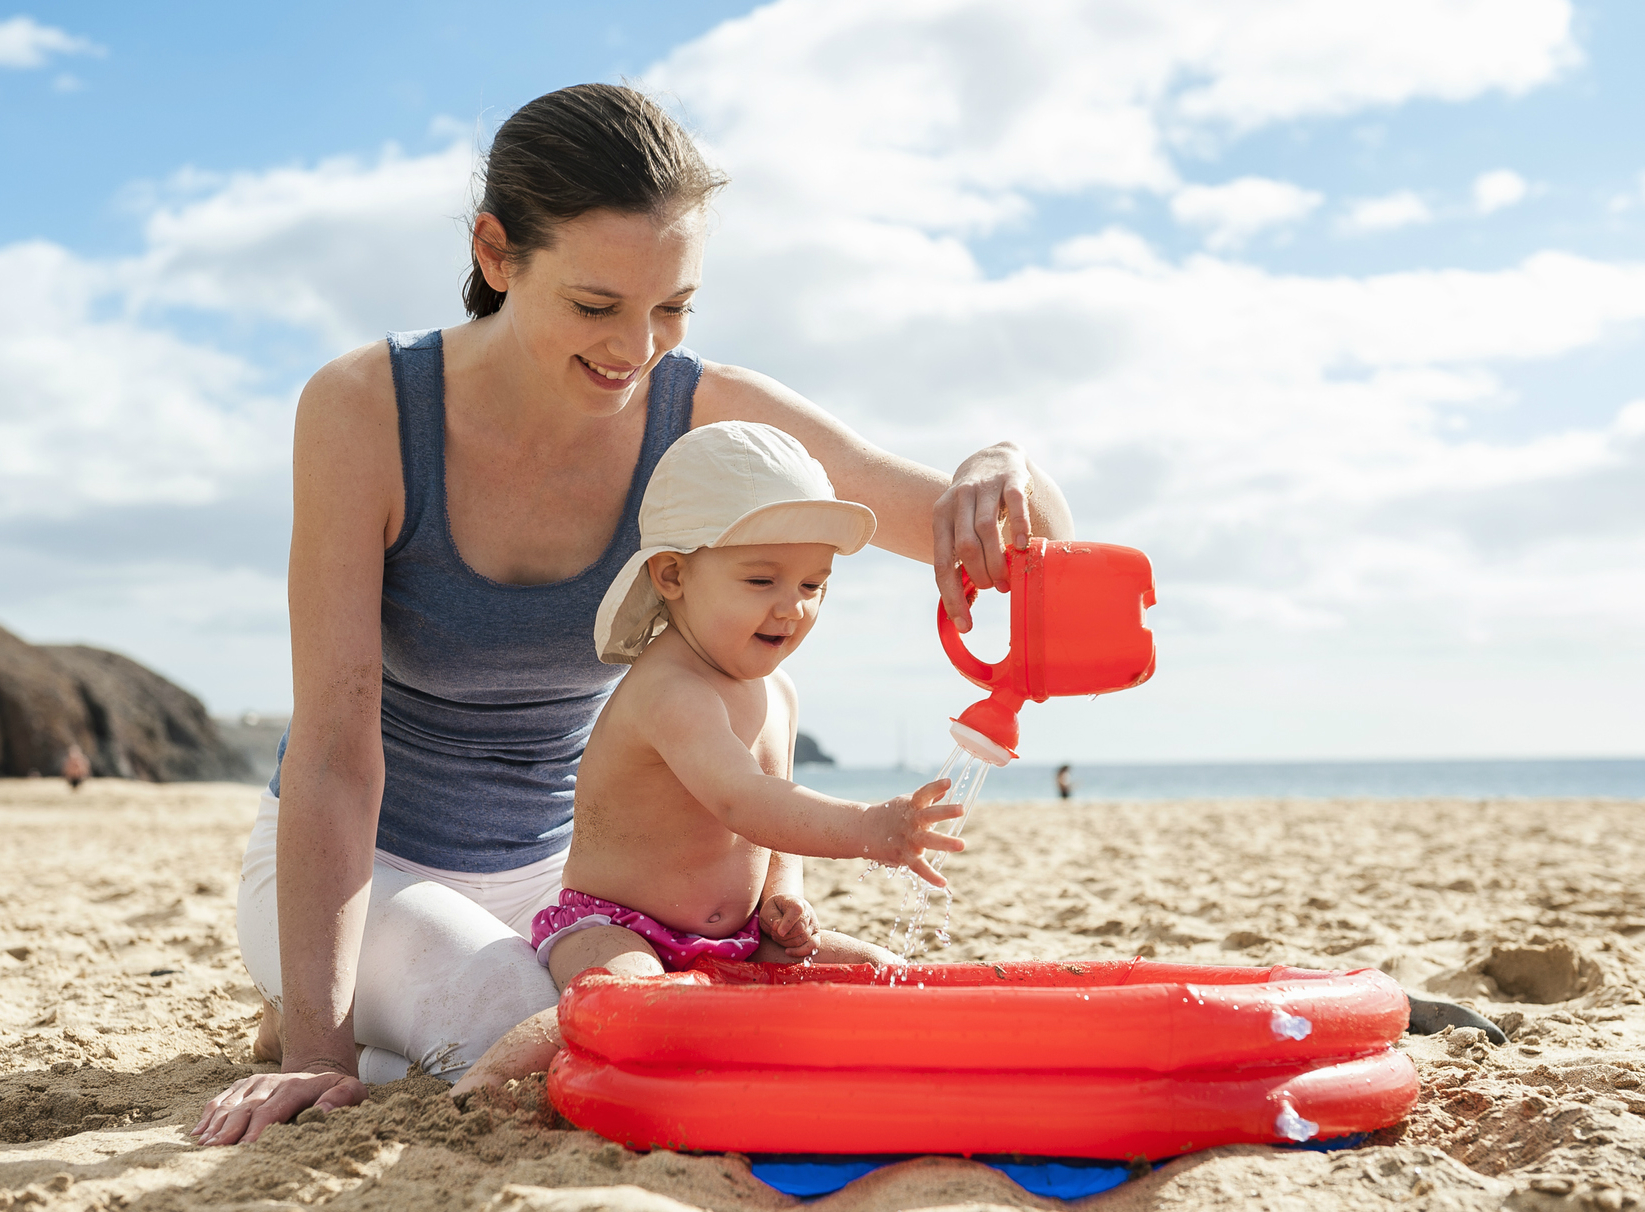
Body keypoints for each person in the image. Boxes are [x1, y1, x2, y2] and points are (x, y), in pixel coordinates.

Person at [191, 82, 1075, 1147]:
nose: (635, 348)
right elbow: (335, 753)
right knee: (575, 1043)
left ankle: (403, 1037)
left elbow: (1006, 539)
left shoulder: (704, 414)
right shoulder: (364, 410)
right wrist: (316, 1059)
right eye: (595, 305)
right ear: (494, 252)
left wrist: (1005, 462)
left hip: (580, 889)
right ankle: (337, 1021)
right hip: (368, 870)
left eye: (673, 307)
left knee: (689, 1024)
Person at [534, 421, 960, 987]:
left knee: (884, 975)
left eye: (813, 586)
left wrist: (784, 897)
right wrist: (870, 828)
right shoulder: (671, 691)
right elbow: (746, 803)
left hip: (739, 940)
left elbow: (775, 824)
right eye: (762, 580)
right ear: (673, 574)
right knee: (632, 999)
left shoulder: (779, 692)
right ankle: (479, 1078)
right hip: (618, 928)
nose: (792, 608)